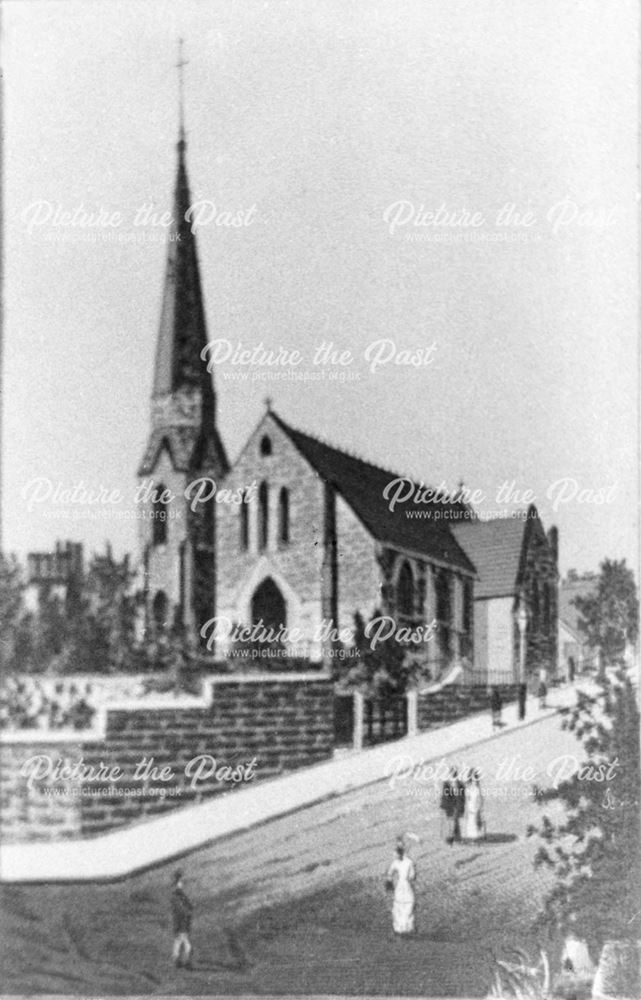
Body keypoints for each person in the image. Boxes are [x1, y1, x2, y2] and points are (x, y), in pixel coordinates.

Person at [386, 841, 416, 935]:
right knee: (407, 905)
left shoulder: (396, 863)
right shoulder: (409, 862)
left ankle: (399, 928)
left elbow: (389, 873)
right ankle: (407, 927)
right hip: (406, 886)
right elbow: (412, 876)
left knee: (399, 906)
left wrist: (389, 881)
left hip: (400, 886)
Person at [171, 870, 193, 969]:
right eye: (181, 881)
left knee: (179, 942)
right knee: (186, 943)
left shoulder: (180, 894)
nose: (183, 883)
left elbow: (188, 906)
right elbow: (182, 909)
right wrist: (188, 911)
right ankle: (185, 962)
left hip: (181, 922)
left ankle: (178, 961)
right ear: (177, 882)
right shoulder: (177, 895)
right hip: (181, 922)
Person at [463, 769, 484, 841]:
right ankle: (472, 837)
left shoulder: (477, 788)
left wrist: (480, 806)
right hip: (470, 805)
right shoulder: (468, 788)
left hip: (475, 805)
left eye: (475, 779)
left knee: (475, 820)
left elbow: (480, 798)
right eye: (472, 779)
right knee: (470, 821)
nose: (474, 781)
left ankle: (475, 837)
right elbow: (466, 798)